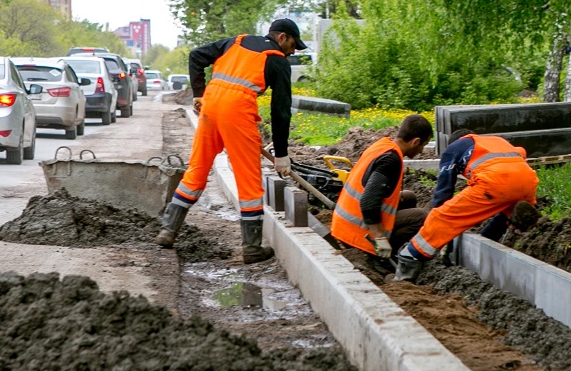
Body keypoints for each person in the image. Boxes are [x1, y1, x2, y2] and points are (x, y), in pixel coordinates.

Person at [156, 18, 306, 263]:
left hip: (211, 105)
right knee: (249, 180)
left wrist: (199, 94)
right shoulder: (277, 60)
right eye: (293, 45)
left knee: (196, 169)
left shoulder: (236, 41)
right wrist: (281, 154)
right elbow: (281, 112)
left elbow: (196, 56)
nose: (293, 51)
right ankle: (252, 248)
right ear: (281, 38)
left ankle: (168, 231)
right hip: (238, 111)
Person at [392, 129, 541, 282]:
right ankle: (490, 237)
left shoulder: (454, 147)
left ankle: (407, 263)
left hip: (495, 182)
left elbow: (443, 195)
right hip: (528, 182)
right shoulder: (495, 141)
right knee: (505, 211)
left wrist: (444, 236)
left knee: (440, 217)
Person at [329, 114, 434, 261]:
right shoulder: (391, 161)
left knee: (409, 197)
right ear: (415, 142)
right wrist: (379, 237)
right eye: (423, 145)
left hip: (344, 222)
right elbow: (368, 202)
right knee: (421, 217)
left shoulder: (383, 145)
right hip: (356, 232)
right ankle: (379, 255)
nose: (422, 151)